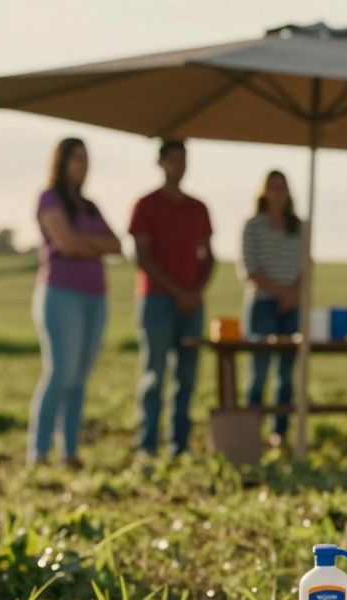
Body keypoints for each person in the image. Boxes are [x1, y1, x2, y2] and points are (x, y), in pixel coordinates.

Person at [28, 138, 122, 468]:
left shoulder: (90, 207)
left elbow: (116, 245)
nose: (82, 165)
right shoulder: (49, 199)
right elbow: (66, 245)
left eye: (86, 158)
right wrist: (89, 245)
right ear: (62, 162)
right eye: (76, 158)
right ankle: (38, 453)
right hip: (60, 295)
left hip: (95, 297)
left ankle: (68, 451)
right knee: (59, 372)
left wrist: (84, 243)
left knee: (80, 376)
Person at [128, 139, 214, 457]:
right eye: (174, 160)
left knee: (187, 376)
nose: (180, 166)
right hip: (157, 300)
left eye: (184, 159)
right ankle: (147, 444)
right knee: (154, 373)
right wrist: (178, 291)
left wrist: (196, 291)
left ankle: (180, 444)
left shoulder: (198, 208)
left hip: (192, 303)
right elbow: (142, 255)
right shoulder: (146, 205)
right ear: (161, 163)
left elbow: (209, 255)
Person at [239, 170, 303, 445]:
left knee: (286, 373)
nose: (278, 193)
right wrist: (280, 292)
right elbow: (250, 268)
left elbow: (305, 265)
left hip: (293, 305)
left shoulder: (298, 227)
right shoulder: (253, 226)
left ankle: (280, 431)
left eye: (282, 187)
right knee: (259, 371)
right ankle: (252, 431)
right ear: (264, 192)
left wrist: (294, 294)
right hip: (262, 303)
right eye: (272, 187)